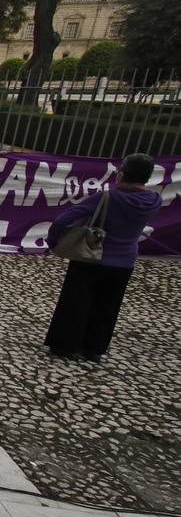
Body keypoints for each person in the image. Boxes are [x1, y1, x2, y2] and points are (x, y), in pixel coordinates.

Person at [44, 153, 161, 362]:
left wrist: (53, 242)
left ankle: (66, 344)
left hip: (92, 255)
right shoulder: (154, 200)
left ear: (122, 174)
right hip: (125, 259)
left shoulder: (108, 197)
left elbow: (63, 220)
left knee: (77, 301)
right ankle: (94, 348)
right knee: (108, 305)